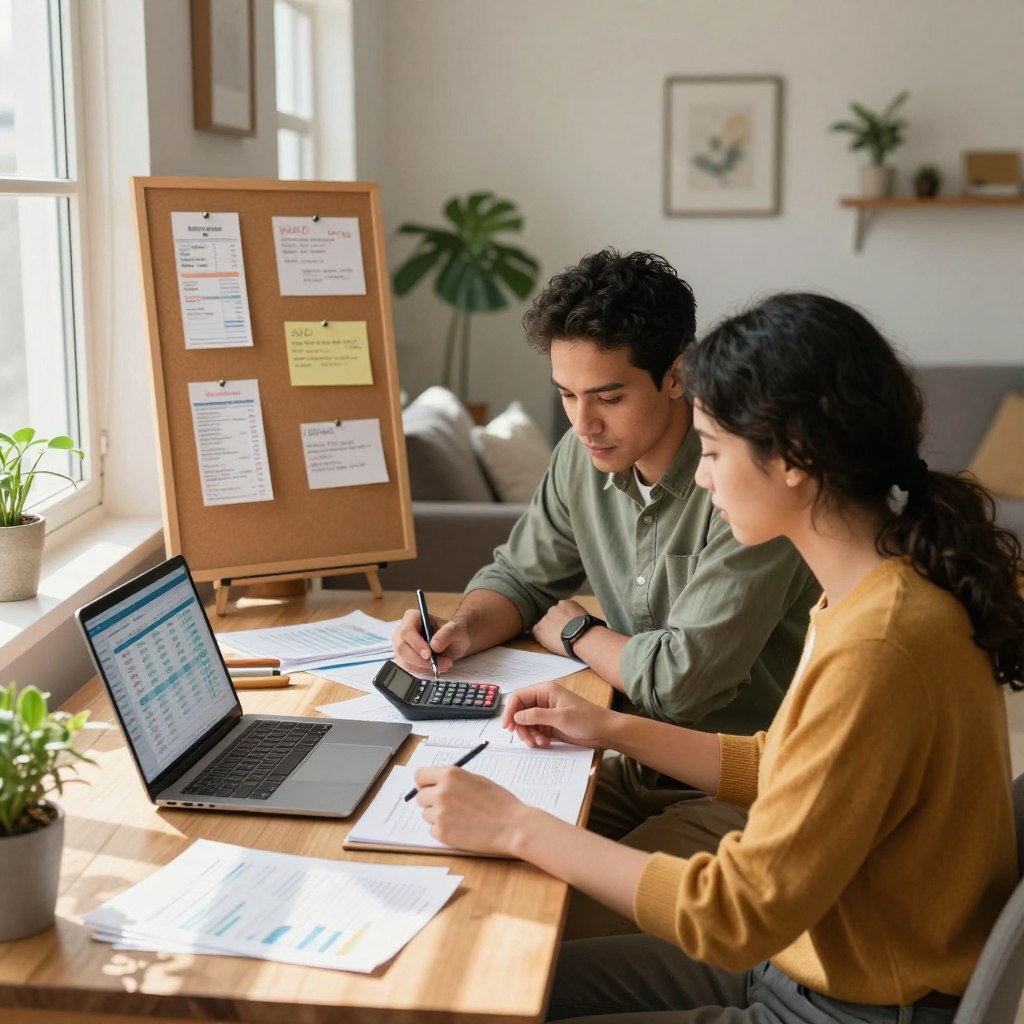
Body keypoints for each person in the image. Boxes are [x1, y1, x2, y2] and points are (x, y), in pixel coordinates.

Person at [410, 292, 1024, 1022]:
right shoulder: (870, 593)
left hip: (837, 1004)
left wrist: (517, 825)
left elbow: (733, 913)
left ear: (793, 459)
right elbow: (789, 765)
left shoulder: (881, 644)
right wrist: (611, 729)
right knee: (491, 982)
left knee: (488, 991)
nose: (700, 478)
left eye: (711, 451)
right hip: (797, 962)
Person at [392, 250, 819, 936]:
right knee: (448, 875)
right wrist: (463, 627)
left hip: (745, 788)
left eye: (608, 397)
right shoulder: (581, 459)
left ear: (676, 376)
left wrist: (573, 631)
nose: (582, 423)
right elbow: (523, 577)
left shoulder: (745, 484)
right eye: (566, 394)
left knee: (531, 926)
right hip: (640, 758)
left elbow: (683, 684)